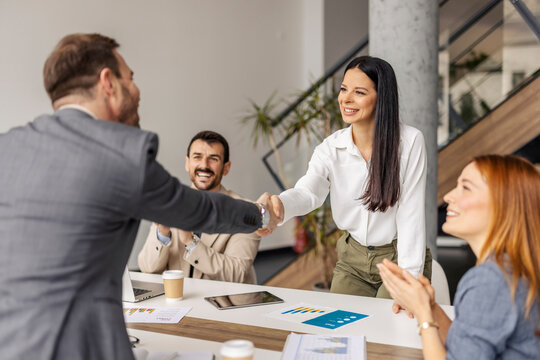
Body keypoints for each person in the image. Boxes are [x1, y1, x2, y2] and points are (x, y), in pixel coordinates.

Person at [0, 33, 278, 360]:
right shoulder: (122, 155)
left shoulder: (9, 146)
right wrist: (260, 215)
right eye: (130, 78)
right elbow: (199, 210)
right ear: (108, 83)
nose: (136, 89)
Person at [268, 56, 431, 298]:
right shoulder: (331, 147)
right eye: (344, 89)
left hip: (398, 259)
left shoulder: (409, 143)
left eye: (359, 92)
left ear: (381, 98)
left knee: (391, 331)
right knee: (339, 330)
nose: (346, 98)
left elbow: (411, 216)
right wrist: (280, 205)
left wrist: (409, 279)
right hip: (352, 260)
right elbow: (309, 192)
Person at [378, 154, 540, 359]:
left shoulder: (490, 280)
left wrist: (424, 315)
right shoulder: (512, 268)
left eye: (466, 187)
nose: (448, 196)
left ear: (503, 204)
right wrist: (429, 305)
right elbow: (467, 347)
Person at [138, 130, 261, 284]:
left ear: (226, 167)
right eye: (197, 157)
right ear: (187, 163)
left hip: (226, 305)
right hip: (179, 302)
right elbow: (147, 269)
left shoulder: (246, 211)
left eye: (213, 159)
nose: (204, 165)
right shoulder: (170, 201)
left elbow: (237, 274)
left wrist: (190, 242)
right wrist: (162, 232)